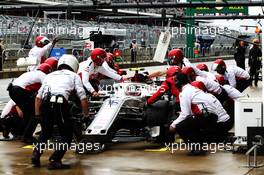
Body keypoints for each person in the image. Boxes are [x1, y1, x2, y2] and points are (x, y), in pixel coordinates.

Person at [32, 54, 90, 169]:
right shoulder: (74, 76)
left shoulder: (50, 75)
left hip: (45, 103)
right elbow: (82, 97)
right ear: (74, 65)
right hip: (59, 103)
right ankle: (55, 160)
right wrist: (86, 115)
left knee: (45, 132)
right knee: (67, 135)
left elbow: (38, 97)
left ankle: (36, 154)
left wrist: (37, 115)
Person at [169, 73, 231, 154]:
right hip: (219, 119)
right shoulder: (197, 91)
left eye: (175, 81)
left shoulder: (184, 93)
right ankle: (201, 145)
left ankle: (197, 148)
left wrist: (173, 125)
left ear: (178, 82)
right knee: (191, 123)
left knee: (180, 126)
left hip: (212, 118)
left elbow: (185, 114)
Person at [7, 63, 52, 142]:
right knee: (34, 113)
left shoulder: (31, 73)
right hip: (19, 91)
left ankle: (21, 133)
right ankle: (27, 136)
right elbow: (48, 88)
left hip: (12, 91)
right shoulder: (43, 75)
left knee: (27, 114)